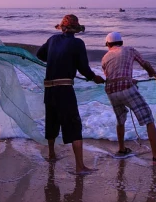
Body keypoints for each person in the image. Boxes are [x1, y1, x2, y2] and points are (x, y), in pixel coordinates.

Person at [36, 14, 105, 174]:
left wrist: (55, 58)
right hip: (64, 89)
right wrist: (94, 77)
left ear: (62, 27)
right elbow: (83, 68)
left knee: (51, 121)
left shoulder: (52, 39)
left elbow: (40, 54)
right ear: (76, 29)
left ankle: (51, 154)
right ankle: (80, 167)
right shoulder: (78, 43)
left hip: (49, 89)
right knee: (74, 125)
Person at [101, 31, 156, 166]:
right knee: (149, 119)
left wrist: (129, 79)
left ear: (108, 44)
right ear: (121, 42)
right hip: (126, 88)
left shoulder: (105, 57)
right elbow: (145, 63)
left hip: (110, 90)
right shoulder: (129, 50)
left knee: (120, 119)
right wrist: (154, 74)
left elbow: (111, 76)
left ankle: (121, 149)